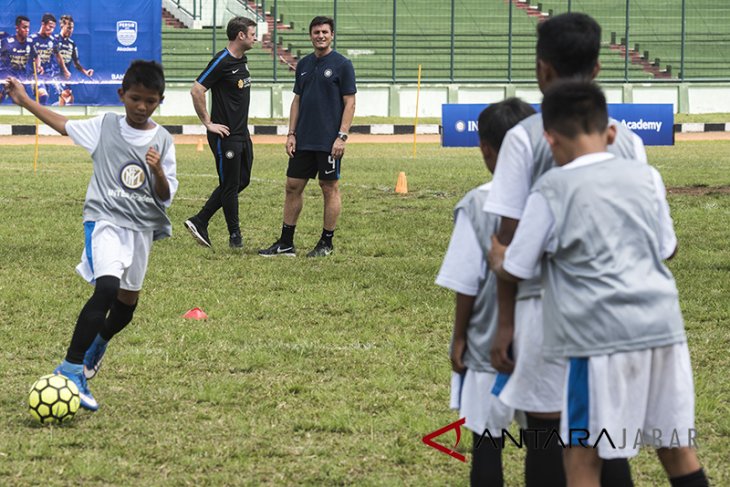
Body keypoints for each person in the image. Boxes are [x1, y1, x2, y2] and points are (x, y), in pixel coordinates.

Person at [488, 80, 708, 487]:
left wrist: (497, 253)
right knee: (677, 448)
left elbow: (517, 267)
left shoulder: (550, 187)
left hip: (597, 339)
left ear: (550, 141)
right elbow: (667, 248)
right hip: (664, 329)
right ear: (611, 133)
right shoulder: (647, 176)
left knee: (582, 457)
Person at [482, 13, 642, 486]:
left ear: (542, 69)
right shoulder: (627, 141)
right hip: (615, 310)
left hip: (543, 312)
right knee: (607, 433)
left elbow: (507, 239)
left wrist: (504, 323)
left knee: (544, 435)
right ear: (597, 70)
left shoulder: (522, 139)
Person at [5, 60, 178, 411]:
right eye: (135, 99)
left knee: (126, 308)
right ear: (121, 95)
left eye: (149, 101)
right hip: (104, 222)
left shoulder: (162, 139)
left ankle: (99, 342)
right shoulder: (105, 126)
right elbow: (62, 124)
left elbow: (164, 196)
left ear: (160, 100)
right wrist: (24, 101)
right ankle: (70, 369)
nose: (141, 107)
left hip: (141, 229)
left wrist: (158, 169)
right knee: (107, 289)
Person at [436, 99, 535, 486]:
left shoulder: (478, 203)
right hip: (550, 345)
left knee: (487, 443)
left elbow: (466, 281)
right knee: (546, 444)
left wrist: (459, 337)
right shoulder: (557, 194)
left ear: (486, 149)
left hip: (489, 346)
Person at [258, 16, 356, 258]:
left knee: (328, 187)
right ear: (310, 35)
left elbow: (350, 102)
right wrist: (291, 133)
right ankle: (286, 243)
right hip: (303, 138)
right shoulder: (303, 64)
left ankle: (326, 243)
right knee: (293, 186)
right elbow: (297, 100)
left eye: (324, 32)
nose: (320, 36)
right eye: (316, 32)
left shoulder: (343, 64)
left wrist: (341, 136)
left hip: (329, 140)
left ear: (332, 35)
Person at [184, 16, 257, 249]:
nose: (256, 37)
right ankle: (235, 237)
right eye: (253, 33)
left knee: (241, 180)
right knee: (229, 184)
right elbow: (197, 90)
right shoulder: (221, 61)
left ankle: (200, 219)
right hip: (225, 136)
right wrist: (208, 123)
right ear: (240, 35)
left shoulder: (242, 60)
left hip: (241, 134)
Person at [29, 13, 59, 104]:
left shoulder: (53, 40)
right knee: (43, 95)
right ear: (43, 24)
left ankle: (40, 116)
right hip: (35, 75)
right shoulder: (31, 39)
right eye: (49, 27)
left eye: (53, 28)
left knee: (44, 101)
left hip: (47, 75)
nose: (51, 30)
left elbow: (58, 56)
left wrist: (64, 70)